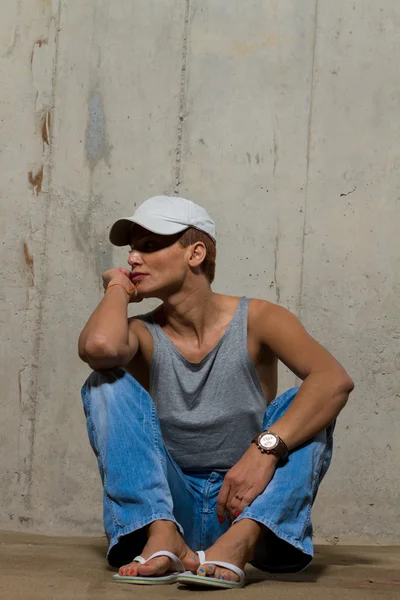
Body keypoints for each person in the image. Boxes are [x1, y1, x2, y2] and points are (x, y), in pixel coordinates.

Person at [78, 195, 354, 588]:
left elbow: (334, 380)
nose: (133, 259)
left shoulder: (258, 318)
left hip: (245, 505)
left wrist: (264, 449)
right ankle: (163, 537)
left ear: (195, 253)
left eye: (149, 246)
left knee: (309, 402)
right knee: (105, 383)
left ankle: (238, 545)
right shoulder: (141, 333)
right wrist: (117, 289)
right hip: (170, 507)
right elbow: (100, 349)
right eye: (132, 249)